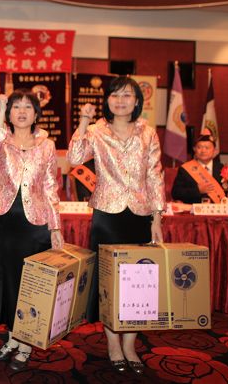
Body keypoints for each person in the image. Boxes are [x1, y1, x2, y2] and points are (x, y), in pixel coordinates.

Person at [68, 76, 165, 375]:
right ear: (107, 100)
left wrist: (157, 217)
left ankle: (130, 344)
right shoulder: (97, 130)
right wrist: (84, 121)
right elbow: (74, 157)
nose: (120, 101)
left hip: (139, 215)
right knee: (108, 282)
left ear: (137, 101)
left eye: (127, 95)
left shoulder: (148, 133)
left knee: (138, 281)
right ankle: (113, 343)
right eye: (114, 95)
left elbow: (155, 175)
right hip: (107, 215)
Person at [0, 91, 64, 370]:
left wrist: (55, 225)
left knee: (28, 283)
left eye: (28, 107)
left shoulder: (47, 145)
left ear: (36, 114)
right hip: (3, 221)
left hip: (34, 223)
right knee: (5, 280)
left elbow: (51, 187)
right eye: (16, 107)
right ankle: (12, 338)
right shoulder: (2, 140)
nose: (22, 111)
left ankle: (25, 342)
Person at [171, 130, 228, 204]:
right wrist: (197, 190)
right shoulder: (185, 169)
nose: (203, 150)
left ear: (215, 151)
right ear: (194, 149)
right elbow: (175, 193)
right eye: (199, 147)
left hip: (219, 210)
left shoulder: (225, 170)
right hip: (194, 209)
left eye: (207, 148)